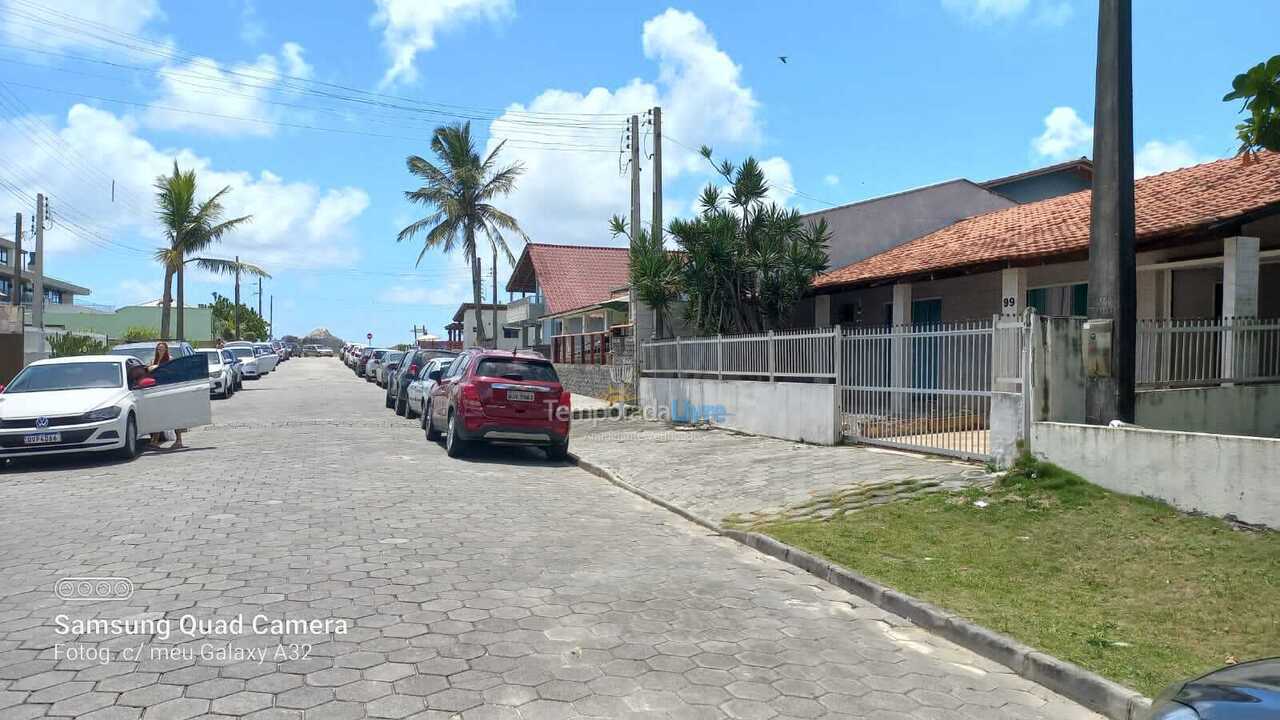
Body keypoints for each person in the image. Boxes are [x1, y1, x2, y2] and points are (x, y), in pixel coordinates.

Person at [148, 342, 185, 450]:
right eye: (158, 349)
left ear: (166, 350)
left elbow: (172, 373)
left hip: (168, 390)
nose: (160, 351)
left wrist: (158, 367)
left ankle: (179, 440)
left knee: (173, 416)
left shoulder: (170, 359)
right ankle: (155, 441)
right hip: (157, 391)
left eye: (162, 349)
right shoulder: (153, 360)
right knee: (159, 416)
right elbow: (149, 371)